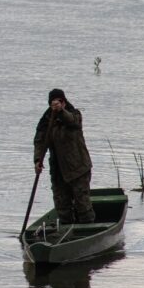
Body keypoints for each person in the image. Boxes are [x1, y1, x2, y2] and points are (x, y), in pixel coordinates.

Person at [33, 89, 95, 224]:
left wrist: (61, 111)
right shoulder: (45, 121)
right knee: (62, 207)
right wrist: (38, 160)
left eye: (60, 102)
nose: (57, 104)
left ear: (64, 102)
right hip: (58, 170)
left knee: (82, 205)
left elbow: (72, 121)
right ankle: (67, 234)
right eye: (54, 103)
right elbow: (39, 141)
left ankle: (87, 231)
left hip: (78, 168)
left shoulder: (74, 114)